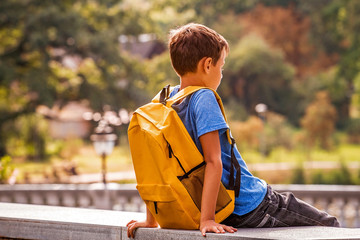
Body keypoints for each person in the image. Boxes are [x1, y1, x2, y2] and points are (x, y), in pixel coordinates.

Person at [126, 23, 339, 238]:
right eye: (222, 66)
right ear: (208, 64)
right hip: (248, 205)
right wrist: (208, 220)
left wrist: (152, 219)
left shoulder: (164, 100)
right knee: (328, 225)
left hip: (209, 209)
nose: (221, 73)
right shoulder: (203, 97)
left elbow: (156, 166)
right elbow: (213, 161)